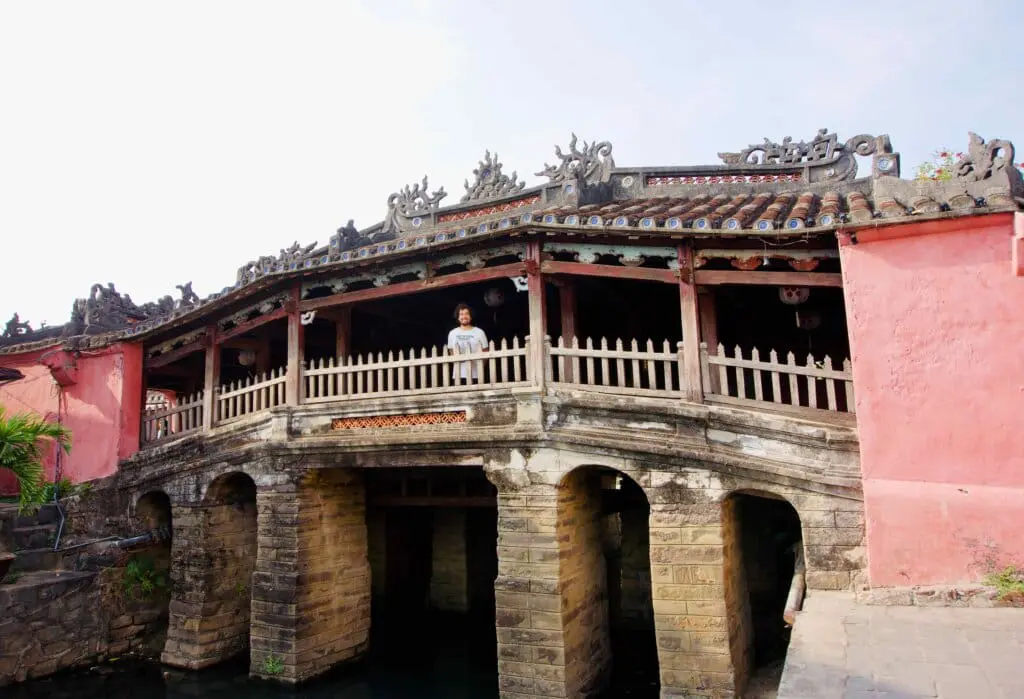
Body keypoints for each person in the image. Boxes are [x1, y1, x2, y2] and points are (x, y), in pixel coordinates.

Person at [447, 303, 488, 382]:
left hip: (476, 374)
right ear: (458, 317)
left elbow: (486, 351)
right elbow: (451, 351)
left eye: (467, 314)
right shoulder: (452, 333)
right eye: (461, 314)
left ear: (471, 316)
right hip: (459, 374)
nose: (464, 316)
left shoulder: (479, 332)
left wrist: (480, 367)